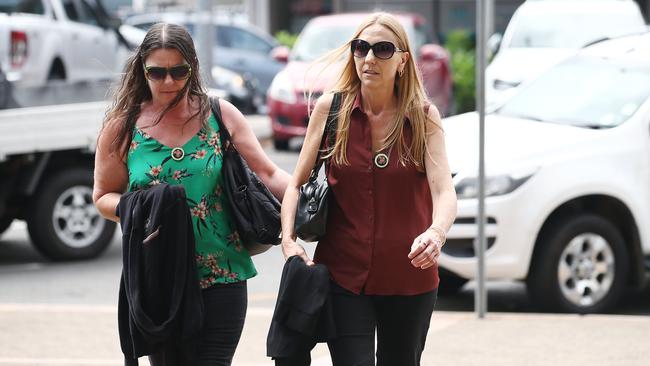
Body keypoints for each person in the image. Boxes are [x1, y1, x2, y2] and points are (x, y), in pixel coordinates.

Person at [93, 23, 290, 365]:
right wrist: (145, 206)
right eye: (157, 72)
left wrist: (317, 193)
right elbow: (102, 196)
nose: (168, 82)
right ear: (142, 70)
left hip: (223, 275)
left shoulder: (220, 115)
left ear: (193, 68)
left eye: (178, 71)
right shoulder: (122, 128)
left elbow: (268, 173)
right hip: (161, 280)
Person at [279, 12, 458, 366]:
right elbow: (295, 184)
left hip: (410, 278)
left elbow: (444, 191)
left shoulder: (422, 117)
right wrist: (287, 241)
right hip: (344, 276)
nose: (370, 58)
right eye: (361, 48)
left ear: (403, 60)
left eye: (382, 49)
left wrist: (436, 234)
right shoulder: (333, 109)